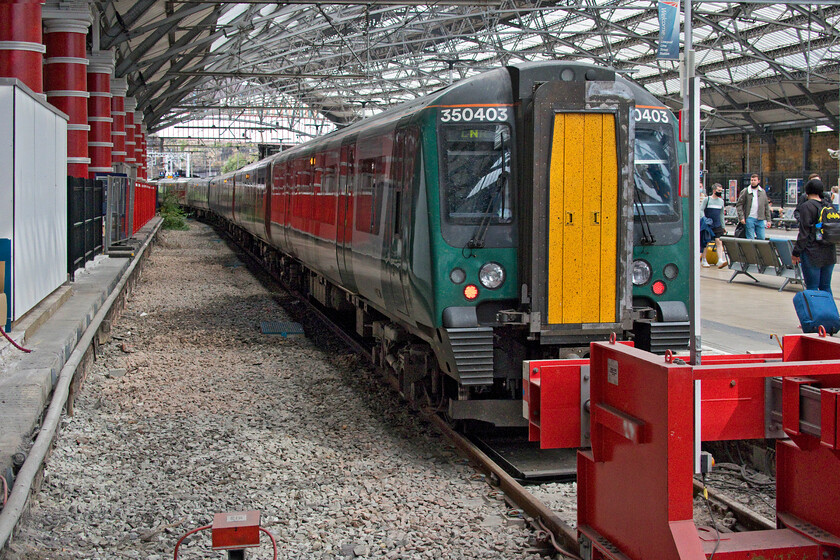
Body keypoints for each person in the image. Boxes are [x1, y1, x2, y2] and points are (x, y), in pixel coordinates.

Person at [792, 178, 835, 293]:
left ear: (807, 191)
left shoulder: (806, 206)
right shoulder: (829, 206)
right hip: (829, 252)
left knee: (812, 287)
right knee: (826, 287)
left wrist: (796, 252)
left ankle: (814, 311)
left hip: (812, 252)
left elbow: (804, 233)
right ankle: (829, 310)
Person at [736, 173, 772, 240]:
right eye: (751, 180)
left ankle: (760, 250)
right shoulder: (746, 191)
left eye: (754, 180)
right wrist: (741, 217)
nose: (753, 182)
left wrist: (768, 220)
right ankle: (750, 250)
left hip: (760, 218)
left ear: (758, 181)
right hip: (749, 218)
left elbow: (766, 206)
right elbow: (739, 204)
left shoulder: (762, 192)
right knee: (750, 238)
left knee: (761, 238)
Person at [700, 183, 728, 268]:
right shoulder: (707, 199)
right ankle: (704, 259)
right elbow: (701, 210)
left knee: (719, 241)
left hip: (717, 224)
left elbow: (721, 215)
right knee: (707, 242)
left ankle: (720, 259)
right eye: (718, 190)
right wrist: (704, 219)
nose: (720, 192)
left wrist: (723, 226)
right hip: (708, 224)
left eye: (721, 191)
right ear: (714, 190)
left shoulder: (721, 202)